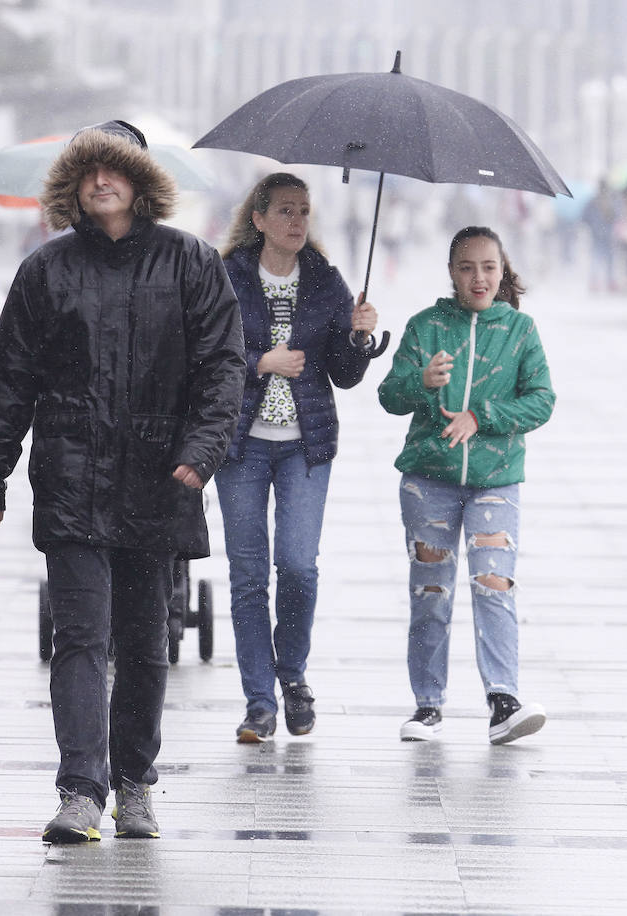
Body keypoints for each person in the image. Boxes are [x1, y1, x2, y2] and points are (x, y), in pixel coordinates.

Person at [0, 120, 245, 843]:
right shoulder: (46, 270)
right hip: (72, 476)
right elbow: (7, 383)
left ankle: (134, 782)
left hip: (159, 476)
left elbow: (222, 366)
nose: (100, 181)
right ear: (71, 184)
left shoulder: (191, 264)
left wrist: (203, 447)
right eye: (86, 170)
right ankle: (81, 789)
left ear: (141, 179)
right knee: (79, 636)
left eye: (113, 169)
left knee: (146, 642)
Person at [216, 172, 381, 743]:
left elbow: (343, 373)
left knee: (299, 566)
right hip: (239, 444)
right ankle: (259, 702)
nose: (296, 221)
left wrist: (359, 338)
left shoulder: (325, 281)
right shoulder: (227, 276)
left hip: (305, 446)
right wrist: (260, 363)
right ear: (258, 219)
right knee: (247, 576)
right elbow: (203, 353)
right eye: (285, 211)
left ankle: (292, 675)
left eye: (304, 211)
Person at [378, 226, 555, 745]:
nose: (479, 278)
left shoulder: (521, 330)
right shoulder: (425, 327)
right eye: (467, 268)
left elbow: (542, 399)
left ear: (502, 272)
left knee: (493, 583)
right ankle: (428, 705)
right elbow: (390, 396)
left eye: (489, 268)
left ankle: (503, 701)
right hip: (427, 480)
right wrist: (421, 382)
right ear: (451, 272)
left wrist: (483, 416)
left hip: (495, 480)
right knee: (431, 592)